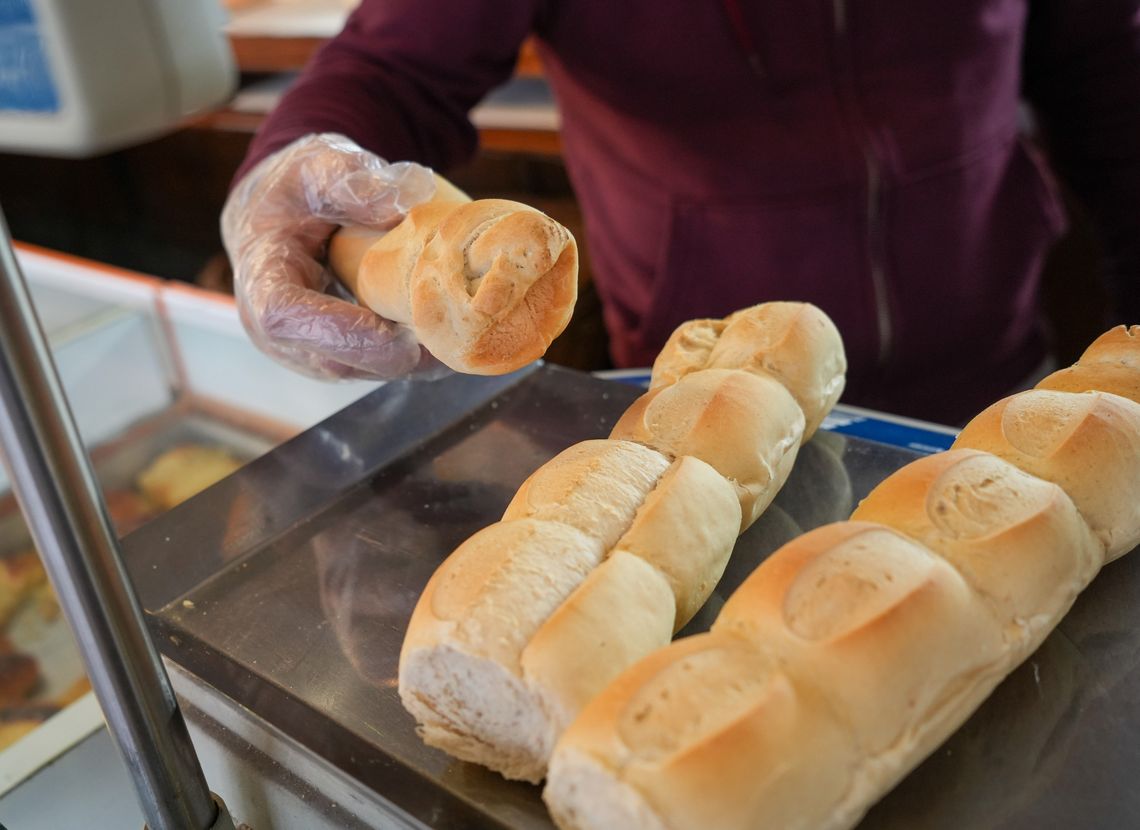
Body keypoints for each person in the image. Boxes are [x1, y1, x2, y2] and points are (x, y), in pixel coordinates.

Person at [222, 0, 1140, 424]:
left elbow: (1109, 73)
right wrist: (282, 181)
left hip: (1001, 389)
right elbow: (388, 70)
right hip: (705, 412)